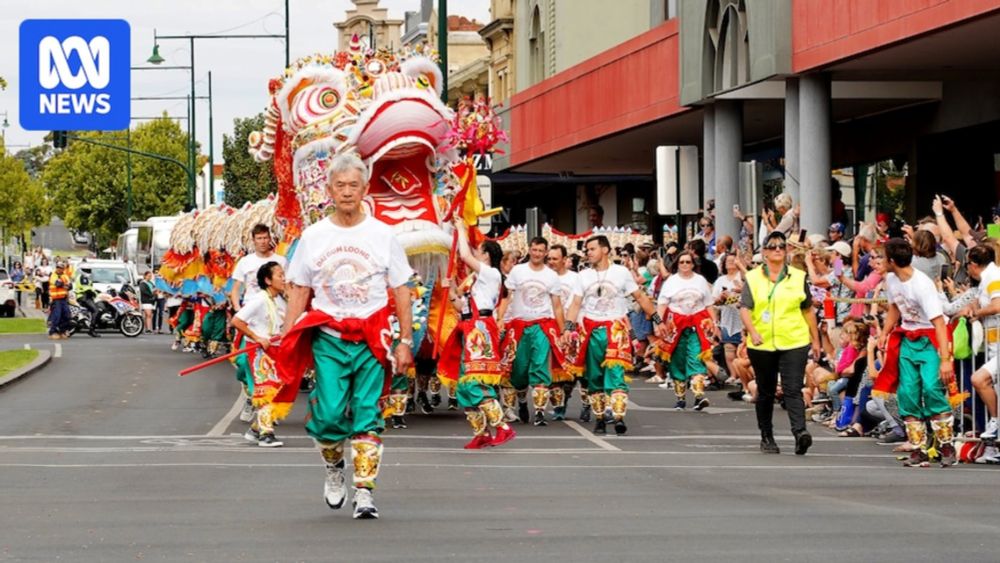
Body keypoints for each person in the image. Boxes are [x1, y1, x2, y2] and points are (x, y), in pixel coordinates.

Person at [277, 153, 414, 520]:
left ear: (365, 189)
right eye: (341, 185)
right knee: (331, 415)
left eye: (354, 185)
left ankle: (365, 492)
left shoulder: (384, 235)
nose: (347, 192)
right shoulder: (314, 236)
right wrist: (287, 334)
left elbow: (402, 289)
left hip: (372, 336)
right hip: (329, 337)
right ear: (329, 190)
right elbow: (300, 289)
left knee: (368, 414)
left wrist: (404, 340)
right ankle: (335, 468)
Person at [564, 235, 664, 436]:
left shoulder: (621, 273)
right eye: (587, 250)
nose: (588, 253)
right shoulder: (583, 276)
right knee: (595, 376)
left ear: (605, 250)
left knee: (616, 372)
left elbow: (640, 296)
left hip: (615, 329)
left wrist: (657, 320)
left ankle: (618, 416)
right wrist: (567, 328)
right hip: (591, 330)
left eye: (592, 249)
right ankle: (600, 418)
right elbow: (575, 303)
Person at [874, 238, 957, 467]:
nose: (881, 261)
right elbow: (894, 307)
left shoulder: (922, 284)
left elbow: (939, 323)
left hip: (930, 337)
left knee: (932, 388)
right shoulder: (891, 279)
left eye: (883, 257)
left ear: (891, 260)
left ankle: (945, 444)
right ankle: (918, 447)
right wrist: (885, 332)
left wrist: (945, 360)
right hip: (908, 338)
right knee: (908, 392)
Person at [740, 231, 821, 455]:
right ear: (765, 252)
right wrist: (753, 331)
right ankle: (767, 436)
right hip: (762, 343)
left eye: (781, 247)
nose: (778, 250)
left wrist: (816, 340)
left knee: (793, 388)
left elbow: (807, 309)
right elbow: (745, 308)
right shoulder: (753, 277)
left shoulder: (797, 276)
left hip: (794, 340)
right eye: (773, 246)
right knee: (765, 391)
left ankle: (800, 433)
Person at [438, 217, 516, 449]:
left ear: (486, 255)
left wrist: (461, 228)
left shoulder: (491, 273)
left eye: (478, 251)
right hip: (469, 326)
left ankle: (502, 426)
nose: (474, 252)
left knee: (475, 380)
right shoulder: (476, 281)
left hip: (479, 329)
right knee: (464, 384)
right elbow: (461, 307)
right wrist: (450, 289)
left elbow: (464, 256)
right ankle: (481, 432)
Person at [496, 236, 567, 426]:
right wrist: (500, 319)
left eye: (540, 251)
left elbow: (558, 306)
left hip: (542, 325)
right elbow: (506, 296)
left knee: (540, 367)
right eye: (534, 250)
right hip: (519, 326)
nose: (537, 254)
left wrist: (563, 331)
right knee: (518, 370)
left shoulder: (551, 276)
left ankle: (540, 412)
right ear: (530, 250)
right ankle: (522, 400)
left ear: (545, 252)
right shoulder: (518, 271)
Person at [230, 224, 290, 419]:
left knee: (277, 369)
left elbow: (289, 286)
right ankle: (253, 397)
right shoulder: (245, 262)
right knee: (244, 363)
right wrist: (239, 310)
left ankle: (265, 412)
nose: (263, 242)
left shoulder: (280, 261)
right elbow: (235, 290)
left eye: (266, 238)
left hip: (276, 314)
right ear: (253, 241)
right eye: (259, 238)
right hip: (251, 316)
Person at [232, 262, 287, 448]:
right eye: (280, 275)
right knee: (267, 389)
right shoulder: (259, 300)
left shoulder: (278, 300)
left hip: (275, 350)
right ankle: (266, 433)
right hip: (259, 351)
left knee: (278, 389)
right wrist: (256, 337)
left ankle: (255, 429)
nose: (284, 278)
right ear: (268, 280)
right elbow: (237, 320)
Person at [656, 251, 717, 411]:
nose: (685, 265)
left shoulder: (700, 280)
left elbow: (708, 303)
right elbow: (662, 304)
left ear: (693, 264)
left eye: (688, 262)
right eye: (682, 262)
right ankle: (680, 398)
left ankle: (699, 395)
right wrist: (658, 324)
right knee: (677, 359)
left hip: (697, 323)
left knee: (697, 356)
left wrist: (715, 323)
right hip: (675, 325)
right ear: (677, 264)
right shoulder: (671, 281)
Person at [963, 245, 1000, 462]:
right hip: (993, 347)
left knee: (979, 379)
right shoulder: (987, 278)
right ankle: (994, 433)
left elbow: (997, 305)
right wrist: (971, 308)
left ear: (973, 265)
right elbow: (979, 299)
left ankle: (995, 422)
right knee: (981, 380)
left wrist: (976, 313)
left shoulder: (994, 276)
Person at [547, 244, 584, 421]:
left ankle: (586, 404)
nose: (551, 262)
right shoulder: (545, 277)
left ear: (564, 259)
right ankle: (559, 407)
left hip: (573, 329)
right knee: (555, 370)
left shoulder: (576, 279)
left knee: (574, 371)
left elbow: (578, 304)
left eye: (555, 259)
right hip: (552, 329)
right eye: (550, 259)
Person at [47, 261, 72, 340]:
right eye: (58, 267)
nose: (59, 269)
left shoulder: (65, 276)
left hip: (64, 299)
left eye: (61, 268)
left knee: (67, 315)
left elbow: (70, 286)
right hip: (56, 299)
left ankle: (62, 331)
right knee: (56, 316)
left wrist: (64, 285)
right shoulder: (53, 275)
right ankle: (52, 332)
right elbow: (58, 284)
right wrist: (65, 285)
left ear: (63, 269)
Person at [73, 266, 101, 337]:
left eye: (89, 270)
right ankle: (92, 329)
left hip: (85, 297)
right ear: (83, 271)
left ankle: (88, 321)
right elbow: (86, 289)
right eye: (87, 271)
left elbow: (90, 288)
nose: (89, 272)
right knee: (96, 311)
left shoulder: (85, 278)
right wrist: (94, 293)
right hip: (83, 297)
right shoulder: (83, 278)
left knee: (95, 308)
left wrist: (97, 291)